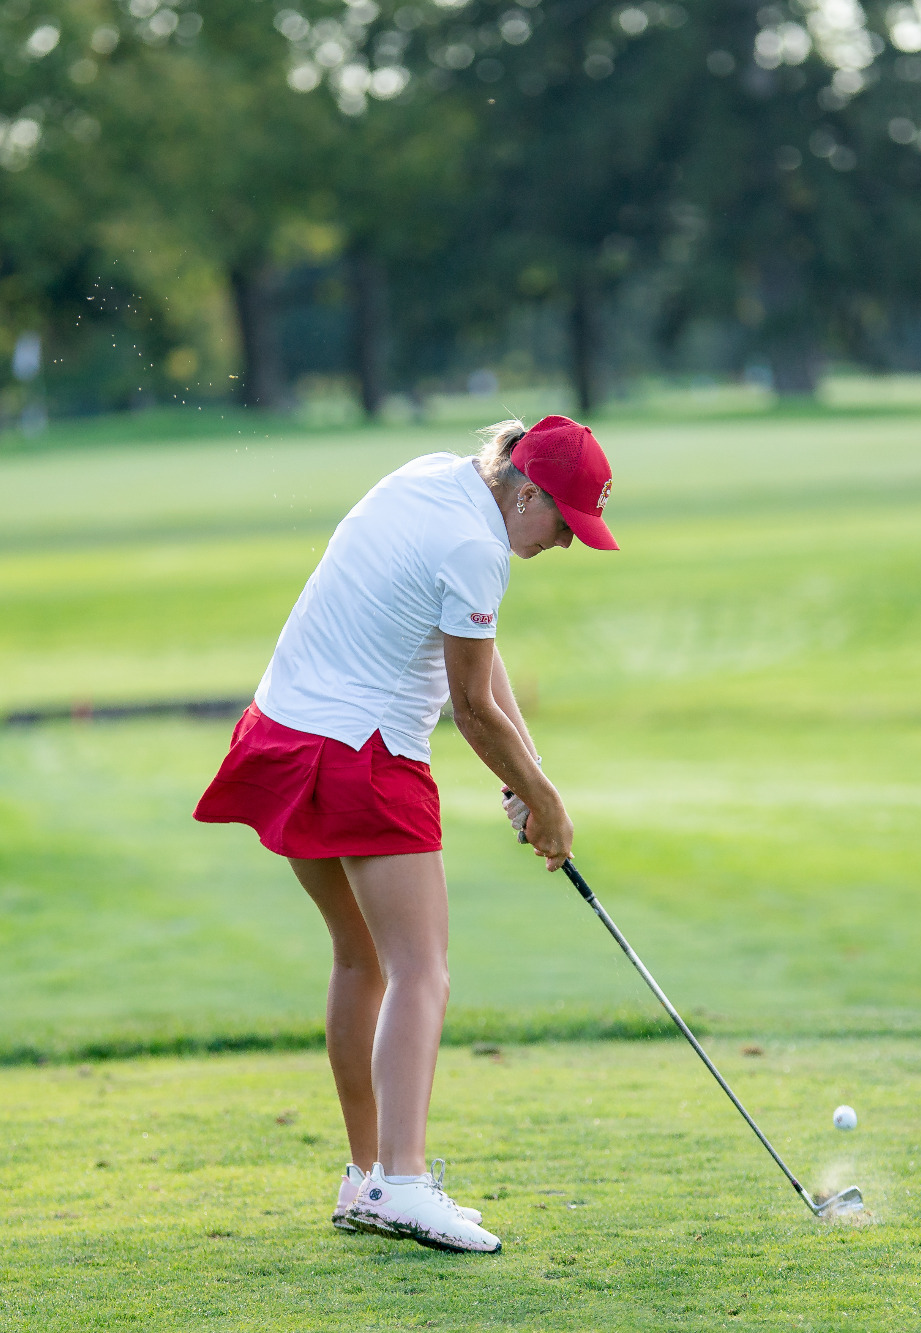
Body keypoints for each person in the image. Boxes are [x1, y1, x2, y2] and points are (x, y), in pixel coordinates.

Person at [193, 415, 618, 1254]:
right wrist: (548, 804)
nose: (567, 542)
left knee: (364, 961)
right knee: (423, 969)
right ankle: (407, 1181)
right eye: (564, 523)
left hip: (283, 737)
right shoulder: (476, 545)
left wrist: (529, 779)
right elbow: (468, 710)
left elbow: (479, 662)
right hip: (364, 753)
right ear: (527, 492)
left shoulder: (432, 478)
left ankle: (367, 1178)